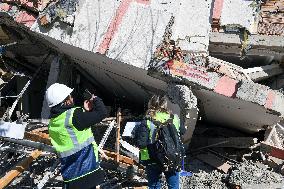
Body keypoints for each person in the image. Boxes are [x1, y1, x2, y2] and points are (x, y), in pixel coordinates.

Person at [46, 83, 107, 189]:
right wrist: (95, 98)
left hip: (70, 177)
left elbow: (74, 131)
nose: (72, 98)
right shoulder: (74, 116)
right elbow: (102, 112)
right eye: (70, 96)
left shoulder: (53, 123)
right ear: (66, 100)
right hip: (86, 172)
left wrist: (84, 110)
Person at [135, 95, 181, 189]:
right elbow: (182, 131)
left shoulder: (147, 120)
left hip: (152, 158)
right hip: (171, 156)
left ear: (150, 104)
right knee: (174, 186)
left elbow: (141, 143)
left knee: (154, 185)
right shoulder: (174, 118)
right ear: (165, 105)